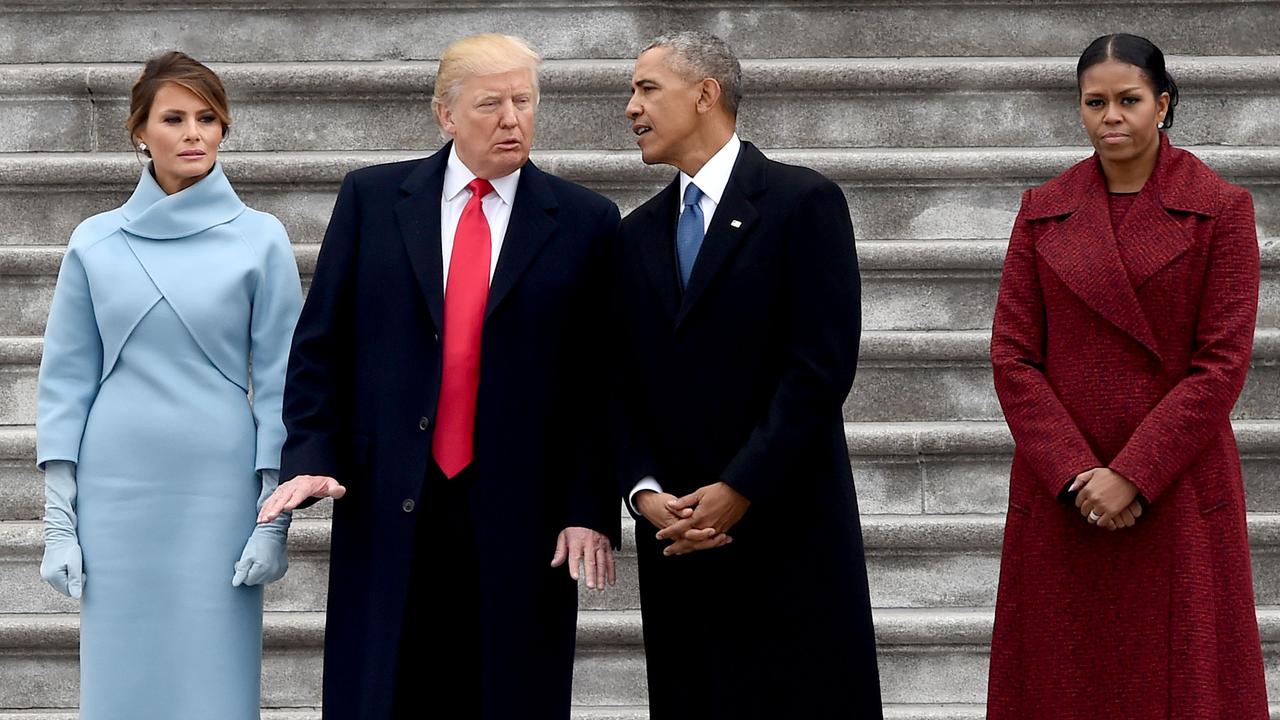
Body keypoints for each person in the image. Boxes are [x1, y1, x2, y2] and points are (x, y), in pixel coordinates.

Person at [255, 33, 621, 720]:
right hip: (391, 495)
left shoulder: (586, 220)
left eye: (524, 101)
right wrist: (309, 454)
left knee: (510, 694)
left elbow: (600, 382)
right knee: (385, 693)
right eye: (491, 103)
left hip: (524, 512)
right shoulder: (372, 198)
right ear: (445, 115)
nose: (512, 118)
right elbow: (319, 346)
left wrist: (586, 508)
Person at [987, 33, 1268, 718]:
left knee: (1180, 681)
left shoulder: (1221, 209)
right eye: (1095, 102)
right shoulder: (1042, 207)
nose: (1111, 116)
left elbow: (1222, 363)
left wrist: (1133, 474)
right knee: (1063, 680)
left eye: (1129, 100)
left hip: (1175, 487)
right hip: (1066, 490)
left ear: (1163, 103)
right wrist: (1078, 474)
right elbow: (1012, 355)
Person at [614, 30, 882, 719]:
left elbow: (820, 368)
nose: (630, 107)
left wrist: (739, 486)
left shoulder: (802, 203)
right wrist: (644, 493)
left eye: (647, 88)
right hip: (679, 543)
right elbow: (620, 382)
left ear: (706, 95)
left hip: (787, 531)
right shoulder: (635, 233)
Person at [35, 51, 302, 719]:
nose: (194, 133)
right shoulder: (94, 242)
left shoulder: (260, 239)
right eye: (175, 118)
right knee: (122, 682)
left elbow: (280, 386)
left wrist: (275, 520)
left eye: (208, 118)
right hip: (116, 489)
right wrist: (57, 522)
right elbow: (65, 384)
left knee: (215, 682)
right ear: (139, 132)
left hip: (217, 487)